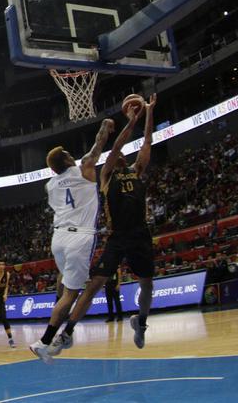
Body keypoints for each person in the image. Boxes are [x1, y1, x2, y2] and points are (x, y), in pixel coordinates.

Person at [47, 94, 158, 356]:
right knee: (95, 284)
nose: (119, 155)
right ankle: (67, 333)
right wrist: (131, 121)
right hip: (117, 236)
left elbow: (148, 143)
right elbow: (117, 146)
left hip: (140, 234)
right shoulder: (107, 173)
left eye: (121, 155)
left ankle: (140, 324)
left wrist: (150, 112)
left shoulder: (137, 169)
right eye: (116, 154)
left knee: (147, 285)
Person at [28, 117, 114, 362]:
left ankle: (61, 322)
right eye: (67, 153)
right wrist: (105, 126)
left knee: (65, 284)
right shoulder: (85, 167)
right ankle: (44, 342)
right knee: (71, 295)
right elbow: (98, 145)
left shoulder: (50, 185)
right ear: (66, 160)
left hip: (59, 238)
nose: (71, 154)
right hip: (79, 238)